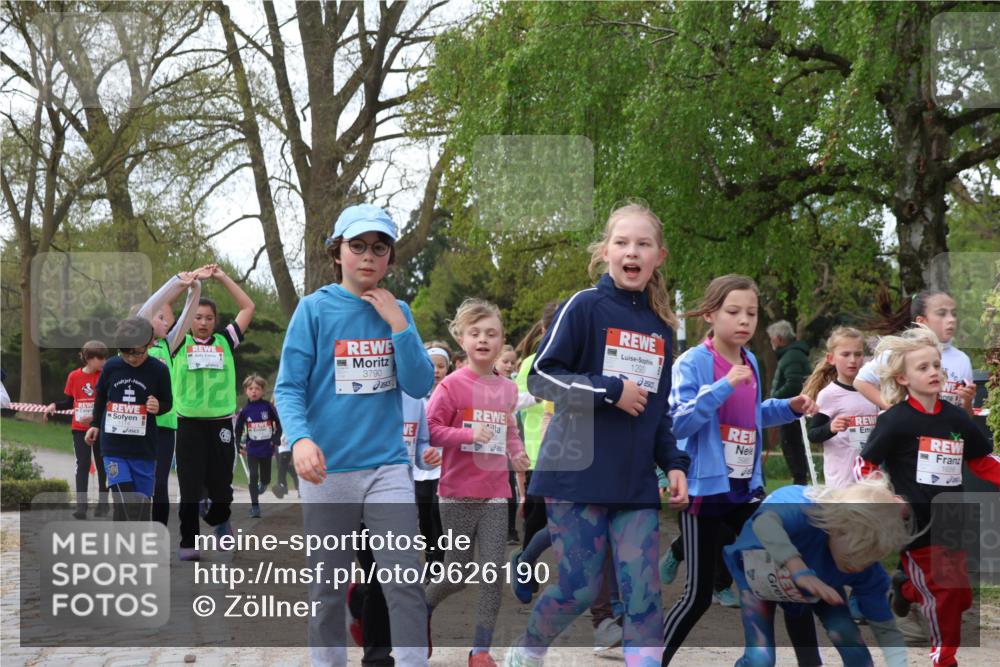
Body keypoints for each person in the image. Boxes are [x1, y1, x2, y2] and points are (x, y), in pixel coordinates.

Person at [506, 203, 690, 667]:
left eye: (643, 244)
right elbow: (542, 378)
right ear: (605, 251)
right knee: (579, 587)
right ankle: (526, 653)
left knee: (644, 591)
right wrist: (610, 391)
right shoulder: (584, 306)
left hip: (634, 484)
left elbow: (659, 410)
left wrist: (673, 464)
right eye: (622, 242)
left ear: (659, 256)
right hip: (575, 474)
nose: (632, 251)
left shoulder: (661, 329)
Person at [274, 203, 434, 667]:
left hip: (387, 469)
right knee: (326, 588)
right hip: (330, 473)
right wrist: (301, 439)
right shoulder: (314, 309)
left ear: (389, 258)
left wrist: (398, 325)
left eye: (379, 248)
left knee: (404, 579)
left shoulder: (398, 311)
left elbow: (420, 385)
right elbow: (288, 387)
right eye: (357, 246)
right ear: (337, 252)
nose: (368, 256)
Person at [661, 275, 819, 666]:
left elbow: (751, 416)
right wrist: (721, 387)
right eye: (733, 312)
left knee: (787, 573)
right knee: (697, 596)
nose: (744, 321)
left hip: (744, 491)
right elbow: (678, 423)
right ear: (711, 314)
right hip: (705, 492)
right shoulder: (694, 362)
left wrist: (788, 407)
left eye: (751, 313)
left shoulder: (750, 360)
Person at [856, 326, 1000, 667]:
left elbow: (980, 461)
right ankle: (943, 658)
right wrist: (884, 499)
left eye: (937, 365)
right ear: (903, 379)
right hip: (916, 524)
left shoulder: (955, 418)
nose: (934, 372)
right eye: (923, 367)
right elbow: (864, 465)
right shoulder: (894, 421)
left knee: (962, 596)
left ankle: (905, 588)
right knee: (946, 594)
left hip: (952, 520)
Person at [426, 298, 530, 667]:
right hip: (456, 494)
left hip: (495, 494)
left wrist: (517, 453)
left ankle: (480, 651)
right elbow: (432, 430)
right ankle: (421, 607)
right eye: (475, 333)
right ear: (462, 339)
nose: (483, 339)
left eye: (491, 333)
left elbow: (511, 429)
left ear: (502, 340)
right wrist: (467, 436)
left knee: (491, 574)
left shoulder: (507, 389)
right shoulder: (451, 386)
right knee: (457, 573)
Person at [722, 478, 911, 667]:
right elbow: (764, 523)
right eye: (855, 554)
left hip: (822, 583)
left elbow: (886, 629)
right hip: (759, 571)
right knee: (760, 659)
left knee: (846, 634)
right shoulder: (804, 508)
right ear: (837, 528)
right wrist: (799, 570)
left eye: (870, 558)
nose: (859, 566)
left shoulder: (867, 568)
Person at [172, 264, 255, 560]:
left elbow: (247, 307)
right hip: (188, 424)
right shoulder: (178, 342)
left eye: (209, 318)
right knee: (190, 486)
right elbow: (163, 307)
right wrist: (188, 282)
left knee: (222, 485)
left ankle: (220, 523)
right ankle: (188, 542)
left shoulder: (225, 341)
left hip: (220, 424)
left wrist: (221, 277)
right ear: (188, 319)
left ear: (216, 321)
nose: (203, 323)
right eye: (197, 317)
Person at [85, 318, 172, 521]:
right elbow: (100, 397)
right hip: (113, 448)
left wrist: (158, 407)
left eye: (138, 352)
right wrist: (95, 425)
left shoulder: (159, 370)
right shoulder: (112, 367)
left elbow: (168, 402)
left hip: (143, 450)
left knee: (139, 509)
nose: (132, 358)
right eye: (126, 353)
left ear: (150, 343)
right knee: (124, 498)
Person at [134, 271, 202, 526]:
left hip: (164, 426)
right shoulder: (135, 343)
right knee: (140, 483)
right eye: (160, 318)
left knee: (159, 483)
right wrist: (176, 281)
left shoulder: (168, 346)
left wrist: (194, 288)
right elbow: (151, 305)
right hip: (136, 425)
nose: (166, 322)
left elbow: (186, 317)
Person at [856, 290, 976, 413]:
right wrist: (893, 410)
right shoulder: (902, 351)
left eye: (954, 314)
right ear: (921, 321)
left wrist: (967, 401)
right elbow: (861, 381)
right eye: (942, 313)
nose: (951, 319)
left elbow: (967, 417)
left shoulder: (962, 359)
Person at [803, 326, 879, 489]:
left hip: (871, 481)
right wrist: (831, 427)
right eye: (845, 354)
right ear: (831, 358)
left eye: (857, 354)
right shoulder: (829, 395)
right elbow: (813, 434)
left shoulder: (873, 390)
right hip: (842, 483)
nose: (853, 360)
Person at [47, 340, 110, 519]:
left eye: (105, 358)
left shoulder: (104, 375)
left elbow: (109, 401)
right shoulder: (74, 376)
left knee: (102, 466)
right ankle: (81, 507)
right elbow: (68, 401)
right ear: (89, 358)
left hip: (99, 428)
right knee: (82, 465)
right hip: (79, 429)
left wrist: (96, 418)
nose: (104, 361)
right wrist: (54, 405)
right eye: (101, 358)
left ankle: (103, 505)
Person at [767, 320, 812, 486]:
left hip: (791, 409)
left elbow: (793, 384)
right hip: (791, 408)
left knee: (791, 444)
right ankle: (799, 480)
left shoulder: (791, 355)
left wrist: (774, 399)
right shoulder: (792, 354)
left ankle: (799, 481)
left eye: (771, 338)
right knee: (792, 444)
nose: (771, 341)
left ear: (778, 339)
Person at [234, 374, 282, 518]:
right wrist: (237, 444)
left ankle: (264, 483)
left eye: (257, 388)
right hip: (252, 448)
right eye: (250, 388)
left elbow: (279, 424)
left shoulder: (268, 407)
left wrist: (276, 437)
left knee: (265, 478)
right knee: (253, 475)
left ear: (263, 391)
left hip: (267, 448)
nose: (254, 391)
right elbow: (237, 429)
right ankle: (255, 506)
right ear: (246, 391)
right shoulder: (244, 411)